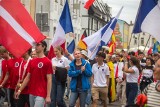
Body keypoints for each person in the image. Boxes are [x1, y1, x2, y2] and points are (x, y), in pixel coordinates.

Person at [15, 41, 52, 107]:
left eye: (38, 45)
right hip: (31, 92)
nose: (36, 46)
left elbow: (49, 79)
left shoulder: (48, 62)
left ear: (44, 47)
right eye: (35, 45)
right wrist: (20, 90)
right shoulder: (32, 61)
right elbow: (27, 77)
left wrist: (48, 95)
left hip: (41, 93)